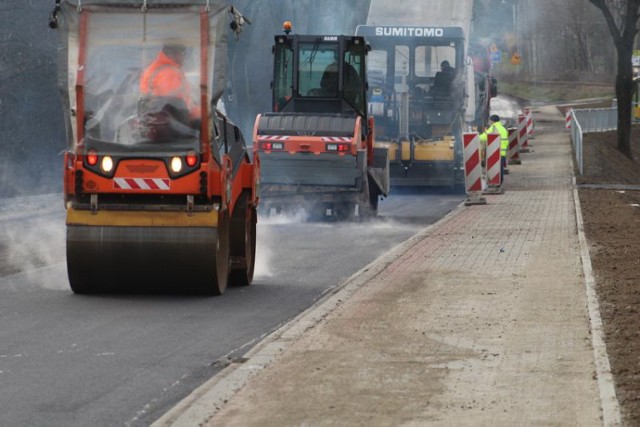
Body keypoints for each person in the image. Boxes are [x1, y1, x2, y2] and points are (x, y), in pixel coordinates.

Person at [139, 43, 200, 140]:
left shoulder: (154, 69)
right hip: (172, 127)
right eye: (183, 54)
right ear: (175, 54)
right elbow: (176, 106)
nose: (184, 59)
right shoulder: (169, 73)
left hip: (157, 123)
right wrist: (201, 112)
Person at [480, 114, 509, 183]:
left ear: (492, 121)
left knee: (495, 168)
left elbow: (483, 137)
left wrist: (475, 137)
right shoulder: (503, 128)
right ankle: (500, 181)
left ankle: (495, 182)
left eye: (489, 120)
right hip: (502, 151)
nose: (489, 122)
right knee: (500, 168)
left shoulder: (493, 128)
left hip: (495, 150)